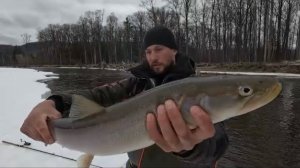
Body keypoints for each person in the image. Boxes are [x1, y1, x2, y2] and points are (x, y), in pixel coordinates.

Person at [21, 26, 228, 168]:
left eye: (158, 49)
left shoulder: (197, 90)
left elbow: (218, 144)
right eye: (148, 51)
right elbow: (97, 96)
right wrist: (53, 102)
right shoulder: (135, 84)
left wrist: (190, 148)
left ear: (174, 50)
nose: (152, 57)